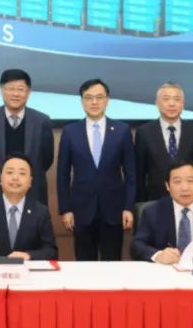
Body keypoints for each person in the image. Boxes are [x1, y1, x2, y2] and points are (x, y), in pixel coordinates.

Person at [57, 79, 136, 261]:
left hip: (114, 210)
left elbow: (131, 174)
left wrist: (128, 207)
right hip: (81, 211)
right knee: (84, 265)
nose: (94, 102)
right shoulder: (70, 132)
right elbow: (62, 175)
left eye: (99, 97)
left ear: (107, 100)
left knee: (112, 263)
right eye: (89, 97)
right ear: (82, 101)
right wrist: (66, 209)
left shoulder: (122, 130)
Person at [0, 69, 55, 206]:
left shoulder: (42, 121)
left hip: (32, 194)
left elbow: (47, 159)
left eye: (21, 89)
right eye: (10, 89)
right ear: (2, 90)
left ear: (28, 92)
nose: (15, 94)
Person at [134, 82, 193, 201]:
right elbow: (139, 175)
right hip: (155, 202)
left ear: (182, 104)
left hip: (189, 201)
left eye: (177, 99)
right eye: (166, 99)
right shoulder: (144, 132)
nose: (172, 104)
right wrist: (140, 205)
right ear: (157, 103)